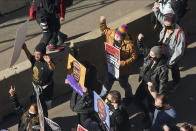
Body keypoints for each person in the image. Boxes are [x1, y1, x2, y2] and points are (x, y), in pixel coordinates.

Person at [99, 16, 137, 103]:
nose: (116, 37)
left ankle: (129, 96)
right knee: (107, 83)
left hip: (122, 71)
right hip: (110, 67)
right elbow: (104, 29)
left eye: (118, 37)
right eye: (116, 35)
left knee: (124, 84)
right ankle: (101, 98)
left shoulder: (129, 45)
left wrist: (122, 63)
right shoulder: (111, 33)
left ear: (123, 37)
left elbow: (134, 57)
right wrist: (102, 22)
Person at [152, 2, 186, 90]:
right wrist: (156, 9)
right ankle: (164, 83)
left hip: (172, 57)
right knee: (163, 71)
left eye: (168, 25)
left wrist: (170, 62)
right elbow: (159, 16)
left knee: (174, 70)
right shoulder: (166, 23)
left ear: (173, 23)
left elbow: (179, 52)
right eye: (165, 24)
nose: (165, 25)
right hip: (163, 53)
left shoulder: (179, 33)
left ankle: (176, 82)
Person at [134, 46, 168, 130]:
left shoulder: (163, 69)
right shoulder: (149, 57)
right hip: (144, 84)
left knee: (151, 109)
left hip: (153, 89)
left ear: (158, 56)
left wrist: (159, 97)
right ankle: (146, 113)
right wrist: (139, 41)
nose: (150, 57)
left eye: (152, 56)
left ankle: (150, 125)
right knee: (136, 100)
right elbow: (142, 49)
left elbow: (163, 84)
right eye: (150, 55)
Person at [23, 43, 55, 117]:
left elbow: (52, 68)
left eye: (38, 54)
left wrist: (49, 62)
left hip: (45, 91)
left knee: (44, 109)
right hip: (35, 88)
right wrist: (25, 48)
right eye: (35, 53)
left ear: (43, 54)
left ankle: (44, 120)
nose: (36, 56)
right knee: (34, 106)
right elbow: (29, 56)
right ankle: (35, 119)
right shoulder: (34, 59)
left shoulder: (47, 62)